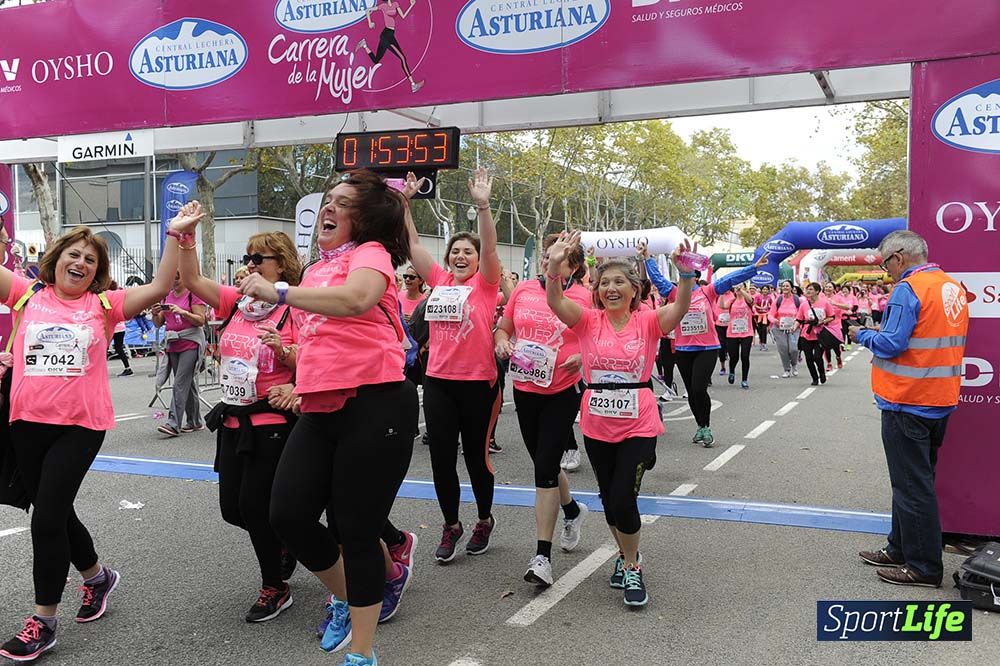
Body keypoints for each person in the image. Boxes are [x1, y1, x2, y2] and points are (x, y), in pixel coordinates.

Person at [241, 170, 417, 666]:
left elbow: (356, 300)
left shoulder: (371, 254)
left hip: (376, 402)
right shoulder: (318, 268)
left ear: (366, 217)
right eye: (328, 200)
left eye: (343, 202)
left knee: (355, 530)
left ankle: (361, 653)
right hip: (319, 406)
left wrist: (279, 291)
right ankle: (361, 590)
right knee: (287, 515)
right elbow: (317, 339)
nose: (329, 208)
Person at [0, 217, 188, 662]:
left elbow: (161, 285)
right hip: (26, 423)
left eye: (90, 259)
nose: (81, 262)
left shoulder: (105, 305)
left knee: (47, 519)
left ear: (97, 271)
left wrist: (176, 235)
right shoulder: (26, 293)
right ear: (56, 260)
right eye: (74, 254)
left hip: (80, 427)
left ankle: (44, 623)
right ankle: (98, 577)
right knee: (56, 512)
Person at [545, 230, 694, 607]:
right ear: (596, 290)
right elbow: (555, 301)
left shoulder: (648, 322)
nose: (610, 288)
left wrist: (685, 275)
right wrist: (554, 267)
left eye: (619, 282)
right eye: (604, 283)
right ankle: (628, 553)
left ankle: (631, 565)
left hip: (638, 422)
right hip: (597, 423)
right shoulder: (587, 320)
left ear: (634, 289)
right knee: (610, 499)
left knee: (624, 497)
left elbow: (679, 309)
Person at [173, 227, 302, 623]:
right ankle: (287, 543)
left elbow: (315, 359)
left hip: (272, 419)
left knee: (254, 505)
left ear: (281, 265)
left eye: (258, 258)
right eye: (247, 258)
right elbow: (192, 279)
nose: (249, 265)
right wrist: (186, 240)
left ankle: (275, 587)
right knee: (232, 509)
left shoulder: (294, 306)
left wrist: (286, 354)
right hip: (233, 417)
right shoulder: (238, 302)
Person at [850, 230, 969, 588]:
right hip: (938, 398)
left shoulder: (908, 288)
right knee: (914, 482)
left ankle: (923, 567)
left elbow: (891, 344)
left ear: (898, 257)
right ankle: (899, 548)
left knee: (911, 487)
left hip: (907, 400)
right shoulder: (950, 286)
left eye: (885, 263)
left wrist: (861, 334)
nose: (886, 271)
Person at [406, 168, 502, 564]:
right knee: (441, 459)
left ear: (477, 260)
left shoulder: (486, 284)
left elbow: (491, 249)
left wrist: (483, 206)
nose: (461, 256)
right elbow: (412, 243)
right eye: (455, 252)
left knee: (476, 459)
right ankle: (451, 525)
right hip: (439, 383)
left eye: (468, 252)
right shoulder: (440, 280)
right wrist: (404, 203)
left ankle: (483, 519)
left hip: (479, 384)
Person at [494, 233, 590, 588]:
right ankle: (572, 510)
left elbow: (598, 336)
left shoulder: (583, 297)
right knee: (543, 462)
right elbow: (505, 327)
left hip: (563, 390)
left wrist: (583, 356)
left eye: (558, 257)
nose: (549, 261)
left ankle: (542, 558)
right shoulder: (522, 290)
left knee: (545, 467)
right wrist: (502, 341)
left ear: (573, 266)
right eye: (547, 255)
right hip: (525, 388)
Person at [645, 252, 770, 447]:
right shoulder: (674, 293)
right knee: (691, 392)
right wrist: (647, 258)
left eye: (687, 275)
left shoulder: (708, 291)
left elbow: (731, 279)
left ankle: (706, 427)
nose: (683, 279)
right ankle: (700, 426)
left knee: (698, 388)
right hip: (683, 349)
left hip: (707, 348)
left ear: (695, 277)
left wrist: (753, 268)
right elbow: (657, 279)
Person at [152, 271, 207, 437]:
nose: (174, 280)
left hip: (191, 342)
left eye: (177, 276)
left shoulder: (193, 294)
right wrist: (155, 313)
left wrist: (183, 312)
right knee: (187, 384)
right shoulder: (167, 296)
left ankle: (173, 423)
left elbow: (200, 320)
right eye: (172, 277)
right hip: (174, 343)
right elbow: (159, 323)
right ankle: (195, 421)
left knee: (180, 383)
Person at [356, 0, 424, 93]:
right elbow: (367, 10)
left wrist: (411, 5)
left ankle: (364, 45)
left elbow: (403, 16)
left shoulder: (396, 4)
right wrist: (370, 22)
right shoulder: (383, 6)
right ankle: (413, 85)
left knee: (376, 60)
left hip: (390, 34)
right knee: (402, 58)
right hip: (386, 35)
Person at [795, 282, 838, 386]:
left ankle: (822, 373)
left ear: (817, 291)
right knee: (809, 358)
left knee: (817, 357)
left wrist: (822, 321)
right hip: (806, 334)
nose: (808, 291)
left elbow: (832, 316)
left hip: (820, 334)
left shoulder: (825, 303)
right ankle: (814, 378)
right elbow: (799, 319)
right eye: (807, 289)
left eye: (811, 289)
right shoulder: (804, 305)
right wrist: (794, 327)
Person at [768, 280, 801, 378]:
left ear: (791, 288)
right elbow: (770, 314)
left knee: (794, 349)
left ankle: (794, 365)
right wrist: (774, 320)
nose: (785, 288)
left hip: (794, 328)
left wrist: (797, 322)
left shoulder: (797, 300)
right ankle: (786, 369)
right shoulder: (778, 300)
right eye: (783, 286)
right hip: (779, 328)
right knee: (783, 349)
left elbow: (802, 314)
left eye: (787, 286)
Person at [725, 284, 754, 389]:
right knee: (734, 357)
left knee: (745, 356)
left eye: (741, 287)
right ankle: (732, 371)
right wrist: (722, 294)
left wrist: (742, 290)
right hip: (732, 333)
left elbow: (750, 300)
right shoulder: (732, 301)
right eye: (736, 287)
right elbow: (723, 306)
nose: (738, 289)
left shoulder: (747, 299)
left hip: (747, 332)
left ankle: (744, 379)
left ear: (745, 288)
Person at [106, 281, 133, 377]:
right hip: (121, 327)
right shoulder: (119, 297)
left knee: (104, 348)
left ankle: (100, 370)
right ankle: (128, 368)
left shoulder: (107, 297)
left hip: (112, 326)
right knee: (119, 347)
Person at [754, 284, 773, 351]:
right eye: (764, 289)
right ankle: (761, 342)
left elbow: (772, 306)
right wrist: (760, 308)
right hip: (758, 315)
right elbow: (755, 304)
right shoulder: (758, 296)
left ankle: (764, 344)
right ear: (761, 290)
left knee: (764, 329)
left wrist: (769, 311)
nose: (765, 290)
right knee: (760, 329)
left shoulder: (769, 298)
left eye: (766, 289)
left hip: (766, 315)